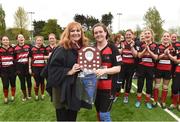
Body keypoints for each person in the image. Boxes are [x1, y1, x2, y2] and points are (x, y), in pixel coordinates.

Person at [46, 22, 90, 121]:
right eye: (72, 31)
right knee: (63, 117)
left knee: (72, 117)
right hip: (62, 89)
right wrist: (69, 71)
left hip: (75, 88)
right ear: (68, 33)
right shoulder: (61, 48)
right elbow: (52, 70)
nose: (76, 33)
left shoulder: (82, 49)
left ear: (81, 33)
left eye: (78, 30)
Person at [92, 23, 121, 121]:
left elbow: (118, 68)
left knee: (104, 114)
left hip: (109, 88)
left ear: (105, 33)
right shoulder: (91, 49)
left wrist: (104, 71)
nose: (98, 34)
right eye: (96, 32)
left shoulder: (113, 48)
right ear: (93, 35)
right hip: (94, 87)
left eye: (100, 32)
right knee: (98, 112)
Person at [135, 28, 158, 109]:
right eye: (146, 34)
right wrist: (145, 49)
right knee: (140, 84)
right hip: (141, 67)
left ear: (151, 35)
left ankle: (147, 101)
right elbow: (139, 56)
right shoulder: (141, 44)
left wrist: (149, 51)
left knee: (149, 85)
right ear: (144, 35)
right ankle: (138, 100)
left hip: (150, 68)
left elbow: (156, 57)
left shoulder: (155, 45)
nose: (147, 35)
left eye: (148, 33)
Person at [152, 32, 175, 108]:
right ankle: (155, 100)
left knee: (165, 86)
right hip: (159, 69)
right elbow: (156, 57)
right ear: (162, 37)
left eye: (167, 36)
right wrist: (164, 54)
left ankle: (163, 101)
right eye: (164, 36)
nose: (166, 37)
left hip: (168, 70)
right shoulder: (158, 46)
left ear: (169, 38)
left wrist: (168, 54)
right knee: (157, 85)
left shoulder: (172, 48)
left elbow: (175, 59)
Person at [118, 29, 137, 104]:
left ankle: (126, 95)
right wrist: (122, 48)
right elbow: (118, 53)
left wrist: (132, 47)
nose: (128, 36)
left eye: (130, 34)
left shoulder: (135, 43)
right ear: (125, 35)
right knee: (119, 80)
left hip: (131, 66)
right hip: (122, 65)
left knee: (128, 81)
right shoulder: (122, 43)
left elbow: (135, 55)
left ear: (132, 35)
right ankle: (116, 94)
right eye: (127, 34)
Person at [29, 36, 48, 100]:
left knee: (42, 82)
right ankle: (36, 94)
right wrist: (29, 68)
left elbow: (46, 57)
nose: (39, 42)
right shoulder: (32, 48)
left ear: (42, 41)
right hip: (35, 68)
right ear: (35, 41)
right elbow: (30, 58)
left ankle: (42, 94)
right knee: (37, 82)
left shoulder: (44, 48)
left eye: (40, 40)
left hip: (42, 67)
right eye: (38, 40)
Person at [14, 34, 32, 101]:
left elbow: (31, 56)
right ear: (17, 39)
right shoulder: (15, 48)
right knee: (22, 82)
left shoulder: (29, 46)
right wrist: (16, 69)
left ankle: (29, 94)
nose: (21, 38)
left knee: (29, 81)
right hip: (20, 67)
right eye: (19, 37)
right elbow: (14, 59)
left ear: (24, 39)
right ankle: (24, 96)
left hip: (27, 66)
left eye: (22, 37)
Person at [0, 36, 16, 103]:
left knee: (13, 84)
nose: (5, 41)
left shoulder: (13, 48)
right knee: (5, 85)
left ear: (9, 41)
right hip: (3, 70)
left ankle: (12, 96)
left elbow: (16, 58)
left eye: (7, 40)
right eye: (4, 40)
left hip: (12, 69)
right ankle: (6, 97)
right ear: (1, 41)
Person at [168, 40, 180, 111]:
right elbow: (175, 60)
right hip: (178, 70)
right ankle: (174, 103)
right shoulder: (177, 46)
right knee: (175, 88)